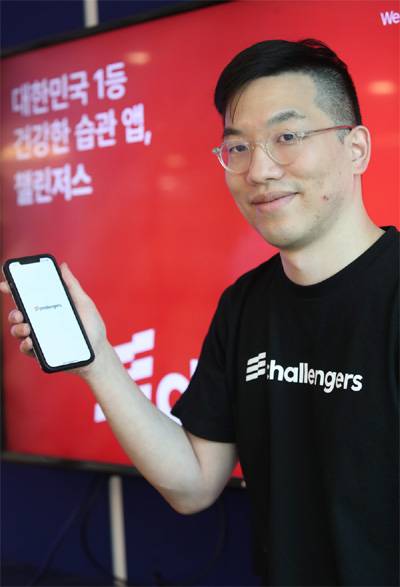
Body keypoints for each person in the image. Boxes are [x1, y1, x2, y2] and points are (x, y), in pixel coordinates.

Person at [1, 39, 398, 586]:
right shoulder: (245, 304)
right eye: (238, 147)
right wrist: (98, 362)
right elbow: (193, 484)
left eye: (287, 137)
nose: (259, 169)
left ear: (356, 149)